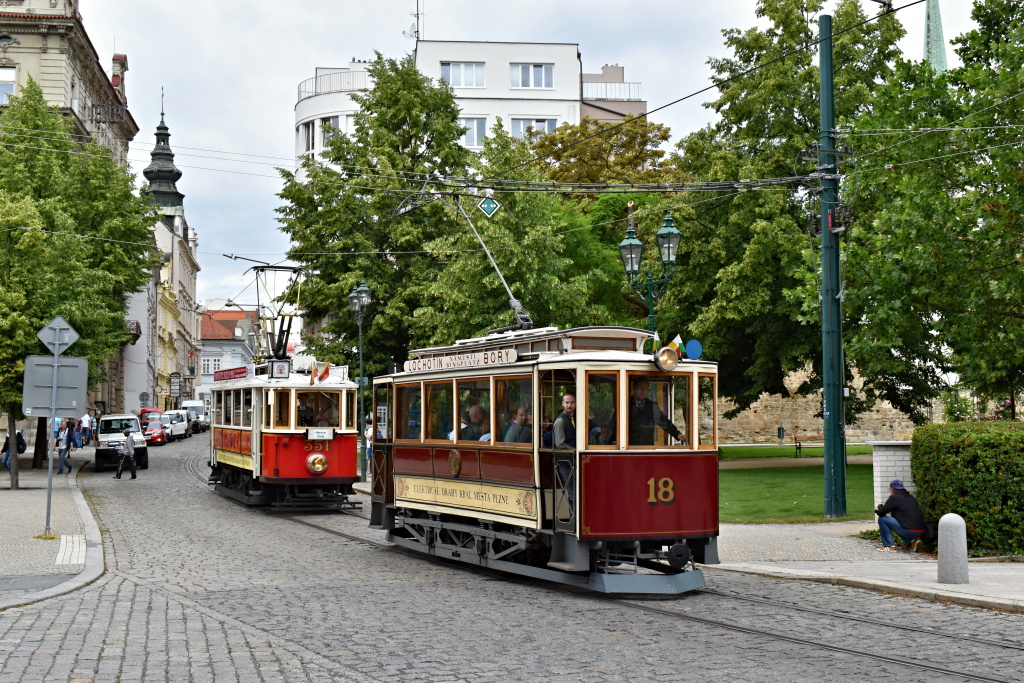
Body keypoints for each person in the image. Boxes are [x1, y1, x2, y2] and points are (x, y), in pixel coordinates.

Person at [628, 377, 682, 446]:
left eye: (646, 388)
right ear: (634, 388)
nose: (643, 391)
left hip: (647, 447)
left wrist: (676, 433)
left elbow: (663, 421)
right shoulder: (626, 405)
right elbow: (615, 424)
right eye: (640, 388)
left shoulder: (652, 406)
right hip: (629, 448)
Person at [875, 479, 926, 552]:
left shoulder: (895, 498)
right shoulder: (911, 497)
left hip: (909, 530)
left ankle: (890, 546)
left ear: (892, 488)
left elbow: (881, 513)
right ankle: (911, 543)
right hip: (921, 530)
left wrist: (878, 510)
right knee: (901, 523)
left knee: (882, 519)